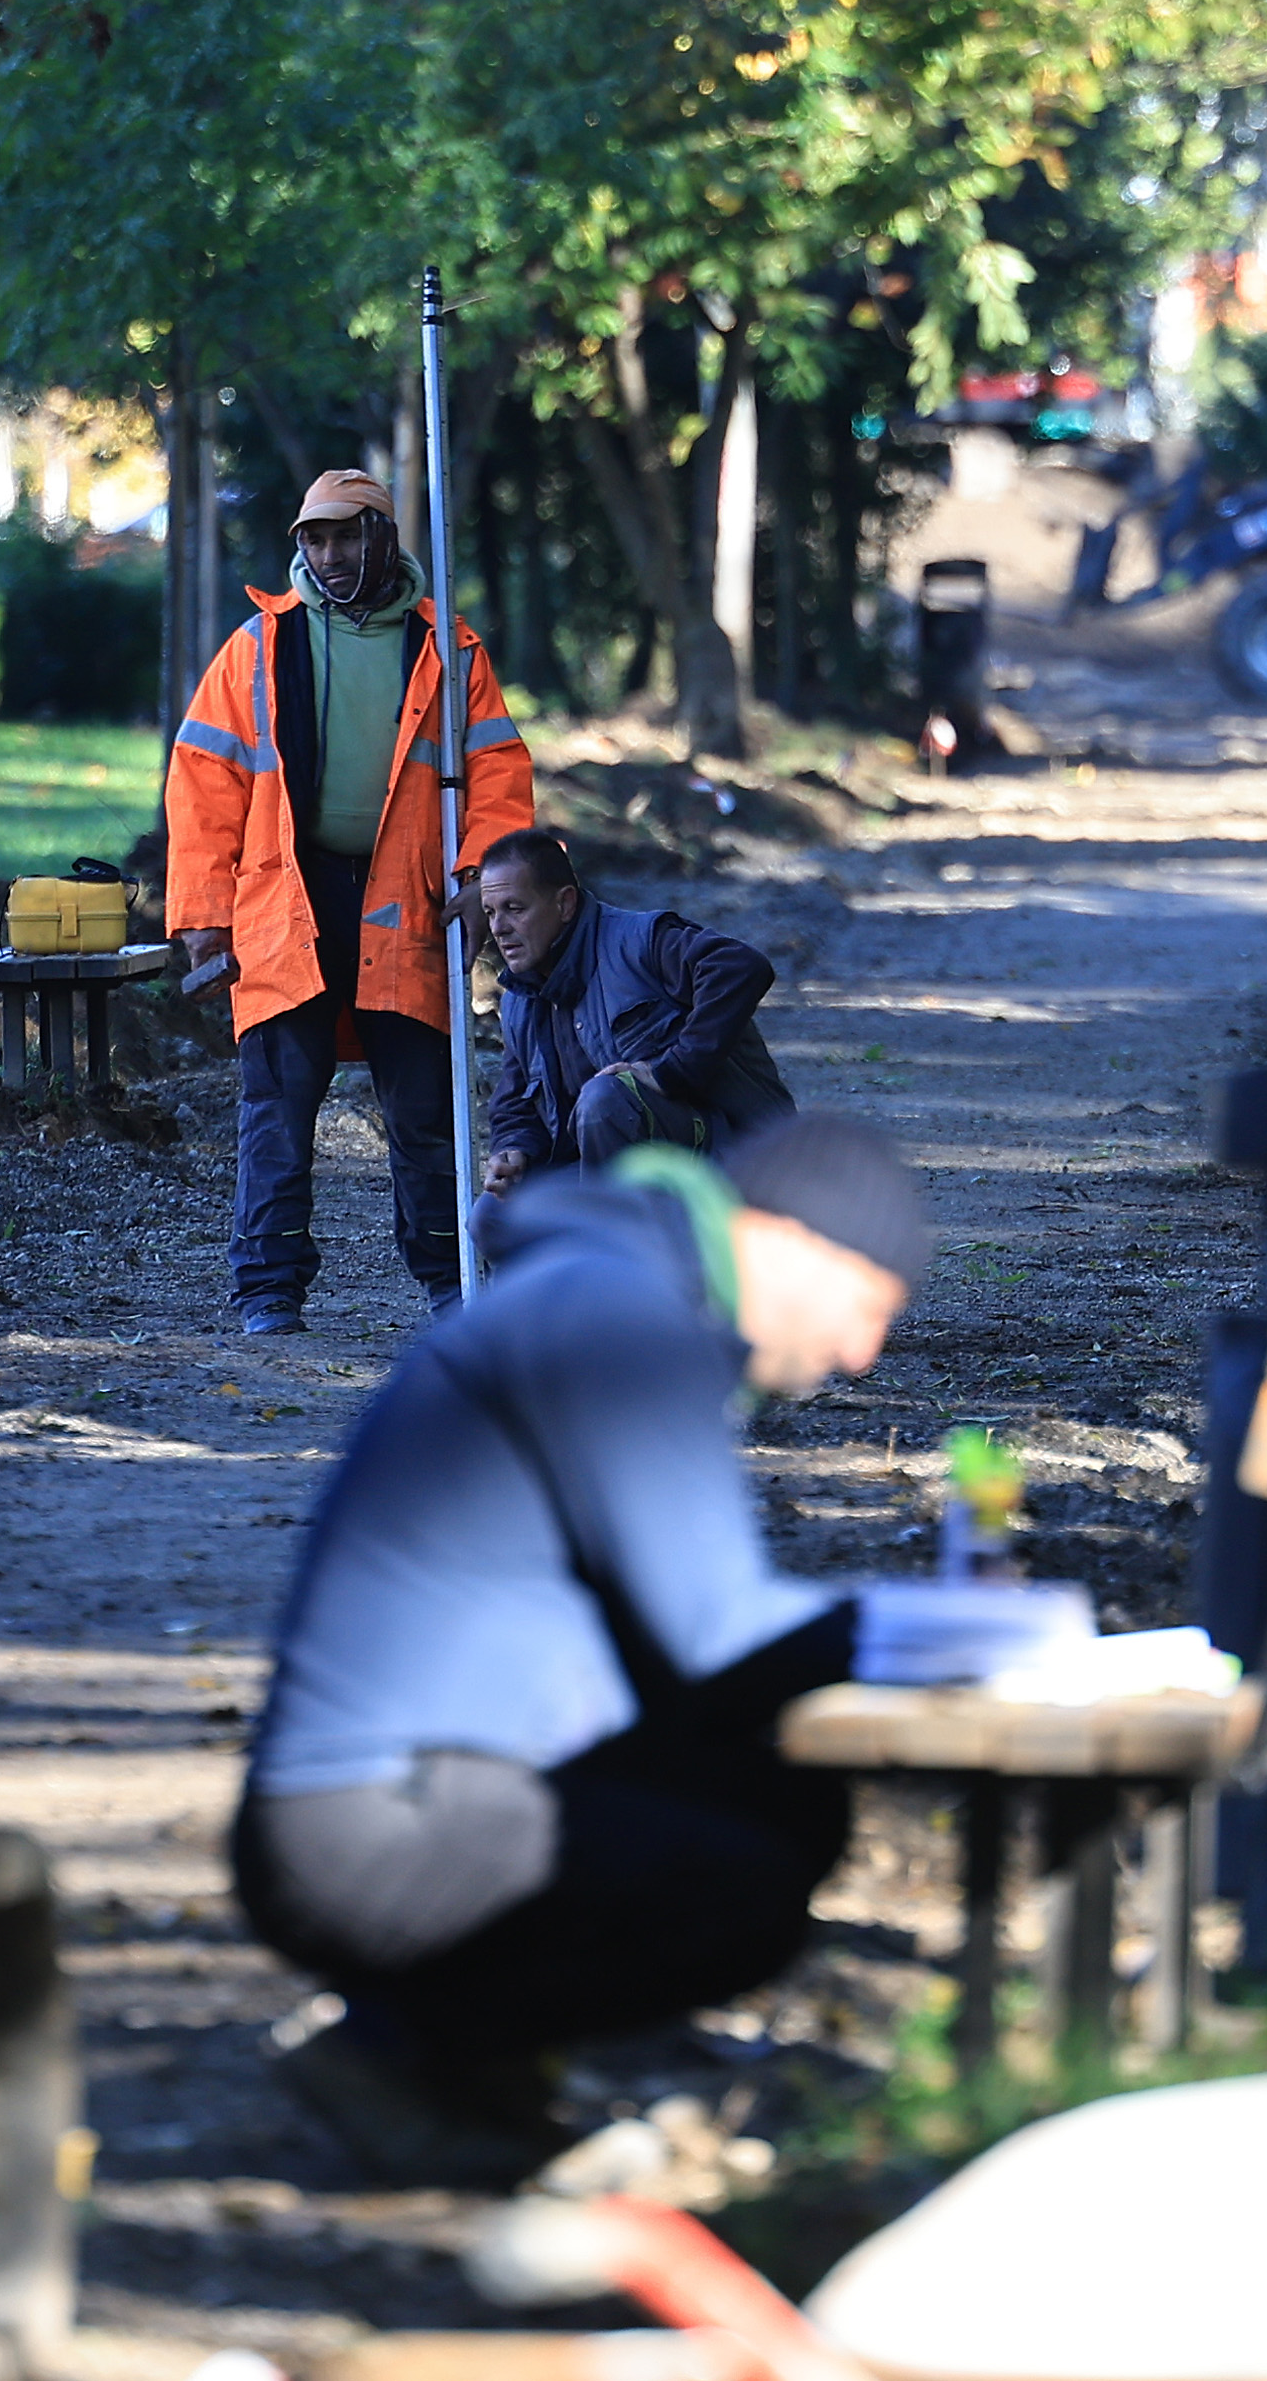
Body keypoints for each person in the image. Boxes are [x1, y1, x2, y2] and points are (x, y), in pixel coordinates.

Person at [227, 1113, 927, 2186]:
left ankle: (463, 2067)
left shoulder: (611, 1293)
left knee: (776, 1796)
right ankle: (394, 2055)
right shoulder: (623, 1318)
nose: (864, 1353)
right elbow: (719, 1633)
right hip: (369, 1824)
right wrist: (965, 1640)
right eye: (869, 1304)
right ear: (794, 1241)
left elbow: (687, 1653)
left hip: (399, 1797)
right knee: (739, 1885)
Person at [166, 469, 535, 1330]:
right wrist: (203, 917)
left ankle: (451, 1282)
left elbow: (496, 773)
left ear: (384, 538)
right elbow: (203, 785)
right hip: (285, 900)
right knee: (278, 1101)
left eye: (344, 536)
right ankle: (267, 1291)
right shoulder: (258, 648)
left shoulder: (449, 649)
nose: (328, 554)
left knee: (422, 1103)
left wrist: (479, 880)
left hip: (406, 901)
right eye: (314, 539)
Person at [478, 827, 796, 1198]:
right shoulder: (519, 999)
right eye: (490, 913)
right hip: (602, 1173)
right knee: (491, 1216)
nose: (499, 928)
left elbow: (740, 967)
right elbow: (515, 1102)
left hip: (732, 1157)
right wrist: (513, 1148)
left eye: (515, 909)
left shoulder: (640, 941)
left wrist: (672, 1071)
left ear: (565, 904)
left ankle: (620, 1234)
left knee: (604, 1101)